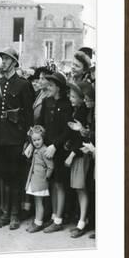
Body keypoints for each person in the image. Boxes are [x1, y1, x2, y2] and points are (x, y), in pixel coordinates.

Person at [0, 48, 34, 230]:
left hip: (15, 137)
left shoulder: (23, 84)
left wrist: (27, 139)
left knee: (15, 176)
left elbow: (28, 114)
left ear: (15, 62)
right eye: (2, 59)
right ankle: (5, 212)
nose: (3, 62)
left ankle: (15, 214)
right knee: (3, 176)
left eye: (7, 59)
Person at [38, 71, 73, 233]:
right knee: (52, 183)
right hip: (47, 150)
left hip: (59, 151)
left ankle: (58, 219)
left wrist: (55, 146)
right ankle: (53, 217)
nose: (48, 87)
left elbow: (68, 129)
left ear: (59, 87)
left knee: (59, 184)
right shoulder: (47, 102)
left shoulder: (67, 104)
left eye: (51, 85)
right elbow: (41, 124)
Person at [65, 81, 92, 238]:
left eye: (74, 96)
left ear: (82, 98)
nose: (70, 97)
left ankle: (83, 222)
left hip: (80, 155)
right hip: (77, 154)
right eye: (71, 95)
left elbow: (81, 140)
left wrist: (72, 153)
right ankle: (81, 220)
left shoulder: (81, 113)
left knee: (81, 189)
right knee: (78, 188)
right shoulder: (77, 111)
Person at [24, 125, 54, 233]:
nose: (36, 142)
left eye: (38, 139)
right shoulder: (37, 149)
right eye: (34, 140)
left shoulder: (44, 150)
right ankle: (37, 220)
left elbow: (50, 166)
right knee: (37, 202)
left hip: (40, 180)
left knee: (39, 202)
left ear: (43, 138)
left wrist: (46, 177)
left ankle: (38, 223)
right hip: (35, 179)